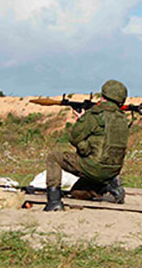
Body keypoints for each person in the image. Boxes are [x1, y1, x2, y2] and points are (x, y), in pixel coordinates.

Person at [43, 80, 130, 211]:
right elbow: (104, 138)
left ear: (103, 96)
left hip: (93, 166)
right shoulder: (122, 118)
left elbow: (74, 137)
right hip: (112, 170)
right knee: (77, 193)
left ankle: (54, 201)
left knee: (54, 157)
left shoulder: (95, 115)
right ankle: (108, 186)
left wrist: (81, 122)